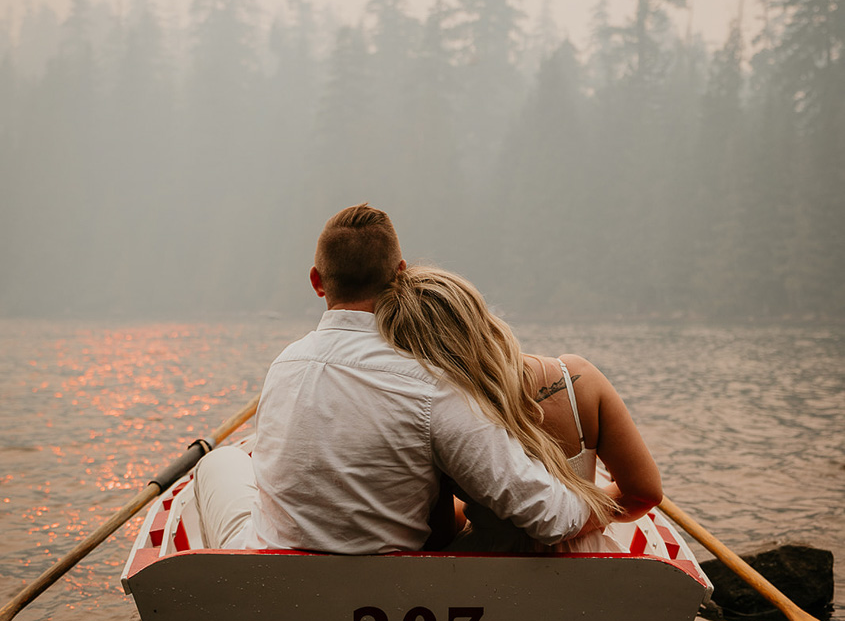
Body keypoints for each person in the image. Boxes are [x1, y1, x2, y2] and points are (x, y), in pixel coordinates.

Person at [194, 204, 606, 553]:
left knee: (220, 461)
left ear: (317, 281)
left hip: (272, 573)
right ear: (400, 276)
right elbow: (553, 518)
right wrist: (609, 503)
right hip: (384, 589)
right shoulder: (434, 386)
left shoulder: (284, 364)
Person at [374, 265, 663, 553]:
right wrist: (583, 512)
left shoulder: (438, 410)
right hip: (586, 562)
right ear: (478, 314)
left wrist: (482, 504)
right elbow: (644, 493)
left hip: (490, 568)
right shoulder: (578, 377)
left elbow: (440, 534)